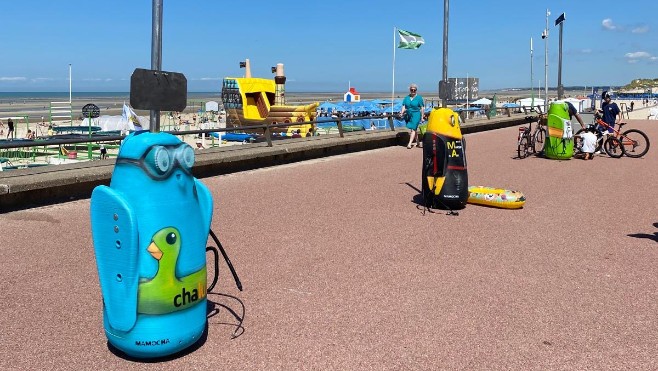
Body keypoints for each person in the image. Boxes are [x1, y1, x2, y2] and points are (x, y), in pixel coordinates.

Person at [400, 83, 424, 149]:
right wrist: (402, 112)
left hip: (416, 114)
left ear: (416, 90)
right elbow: (404, 106)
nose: (413, 91)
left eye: (414, 90)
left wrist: (422, 117)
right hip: (409, 114)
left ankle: (409, 144)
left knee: (413, 129)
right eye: (411, 90)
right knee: (414, 129)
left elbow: (422, 108)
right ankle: (418, 143)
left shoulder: (419, 98)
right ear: (410, 90)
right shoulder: (406, 98)